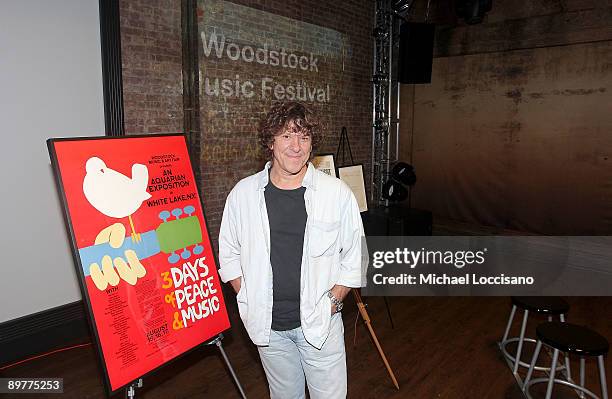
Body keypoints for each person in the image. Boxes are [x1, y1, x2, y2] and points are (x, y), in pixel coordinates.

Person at [218, 101, 364, 398]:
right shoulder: (243, 195)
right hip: (269, 331)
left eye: (304, 137)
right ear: (270, 141)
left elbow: (356, 257)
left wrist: (333, 302)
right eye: (287, 136)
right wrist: (246, 293)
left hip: (320, 327)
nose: (296, 146)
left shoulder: (335, 193)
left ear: (312, 144)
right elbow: (229, 253)